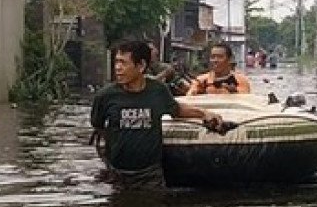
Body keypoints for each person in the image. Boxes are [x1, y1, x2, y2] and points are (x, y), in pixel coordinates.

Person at [90, 40, 224, 188]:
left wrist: (204, 113)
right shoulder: (105, 96)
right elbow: (99, 128)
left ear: (141, 66)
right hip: (117, 175)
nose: (117, 68)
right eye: (116, 62)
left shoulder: (157, 91)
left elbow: (176, 110)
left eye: (123, 63)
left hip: (150, 175)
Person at [187, 43, 253, 95]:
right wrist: (195, 92)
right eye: (213, 57)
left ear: (229, 59)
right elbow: (190, 96)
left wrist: (234, 92)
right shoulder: (201, 80)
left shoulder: (240, 80)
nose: (215, 60)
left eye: (220, 57)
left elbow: (245, 99)